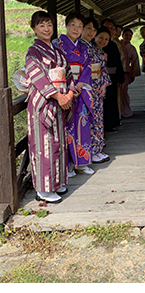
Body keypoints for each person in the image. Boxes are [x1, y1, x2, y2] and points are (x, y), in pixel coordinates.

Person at [25, 11, 76, 203]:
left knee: (59, 144)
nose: (46, 29)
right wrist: (57, 96)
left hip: (61, 102)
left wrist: (69, 94)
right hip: (44, 104)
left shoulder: (59, 52)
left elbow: (69, 75)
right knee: (44, 146)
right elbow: (37, 76)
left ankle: (58, 182)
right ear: (34, 29)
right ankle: (44, 189)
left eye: (49, 25)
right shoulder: (33, 52)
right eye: (41, 26)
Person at [53, 12, 94, 177]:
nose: (76, 29)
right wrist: (70, 88)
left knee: (82, 126)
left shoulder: (84, 47)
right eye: (73, 25)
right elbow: (55, 68)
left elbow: (88, 68)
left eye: (80, 26)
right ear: (66, 26)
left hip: (80, 90)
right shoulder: (57, 44)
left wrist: (78, 86)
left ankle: (82, 164)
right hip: (64, 90)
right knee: (65, 128)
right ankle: (68, 165)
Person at [81, 19, 111, 164]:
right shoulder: (85, 47)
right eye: (101, 37)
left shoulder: (97, 51)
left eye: (107, 39)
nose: (103, 41)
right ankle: (92, 150)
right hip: (88, 87)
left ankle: (98, 147)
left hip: (98, 86)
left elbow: (103, 70)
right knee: (91, 119)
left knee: (98, 118)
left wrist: (104, 84)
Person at [101, 18, 125, 132]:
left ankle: (111, 123)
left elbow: (119, 62)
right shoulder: (96, 44)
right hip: (99, 79)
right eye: (107, 27)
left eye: (112, 28)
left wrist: (120, 78)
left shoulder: (114, 45)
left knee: (111, 101)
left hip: (113, 77)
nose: (109, 29)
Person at [120, 28, 141, 118]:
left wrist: (133, 73)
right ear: (122, 35)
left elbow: (135, 61)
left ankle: (125, 111)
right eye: (126, 35)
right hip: (116, 71)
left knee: (123, 91)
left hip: (125, 72)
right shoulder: (117, 44)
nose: (128, 37)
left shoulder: (131, 48)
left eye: (130, 35)